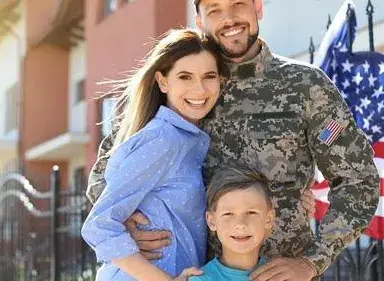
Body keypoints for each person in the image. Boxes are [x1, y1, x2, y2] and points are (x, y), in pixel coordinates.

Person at [86, 0, 380, 280]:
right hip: (200, 274)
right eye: (214, 9)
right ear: (200, 21)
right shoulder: (185, 90)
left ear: (258, 8)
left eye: (238, 4)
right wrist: (128, 226)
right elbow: (106, 174)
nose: (228, 19)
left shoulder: (306, 87)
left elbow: (359, 181)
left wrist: (311, 261)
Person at [81, 28, 221, 281]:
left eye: (209, 76)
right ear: (163, 81)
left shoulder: (186, 138)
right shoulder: (163, 140)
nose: (200, 89)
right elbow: (99, 225)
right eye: (185, 77)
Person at [189, 166, 274, 281]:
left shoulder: (279, 275)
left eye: (251, 212)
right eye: (228, 214)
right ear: (211, 221)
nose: (240, 224)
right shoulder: (202, 279)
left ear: (269, 219)